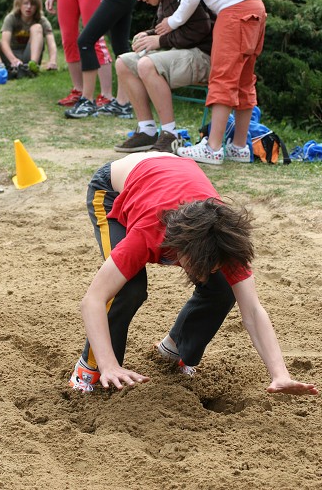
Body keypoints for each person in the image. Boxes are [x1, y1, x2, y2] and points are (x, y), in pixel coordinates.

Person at [69, 152, 319, 398]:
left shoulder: (223, 238)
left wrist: (280, 374)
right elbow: (92, 300)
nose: (204, 273)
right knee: (128, 289)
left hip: (169, 177)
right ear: (179, 250)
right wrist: (108, 364)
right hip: (113, 189)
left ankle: (173, 350)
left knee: (222, 287)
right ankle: (89, 368)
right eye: (199, 265)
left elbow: (253, 310)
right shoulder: (148, 232)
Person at [153, 0, 267, 165]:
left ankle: (213, 148)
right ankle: (239, 147)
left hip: (234, 13)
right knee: (243, 80)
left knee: (223, 78)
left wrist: (171, 22)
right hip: (254, 8)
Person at [111, 0, 213, 153]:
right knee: (123, 62)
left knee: (146, 65)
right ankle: (147, 131)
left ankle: (170, 134)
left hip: (204, 56)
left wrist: (159, 41)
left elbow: (202, 28)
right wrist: (148, 35)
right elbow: (165, 29)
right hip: (181, 53)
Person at [0, 0, 58, 79]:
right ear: (19, 4)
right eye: (25, 3)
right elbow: (4, 43)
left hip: (28, 56)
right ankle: (0, 67)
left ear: (37, 7)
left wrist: (52, 61)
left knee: (36, 27)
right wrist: (13, 60)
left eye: (32, 4)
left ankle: (32, 67)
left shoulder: (42, 20)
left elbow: (51, 42)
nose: (29, 7)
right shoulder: (11, 18)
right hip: (10, 56)